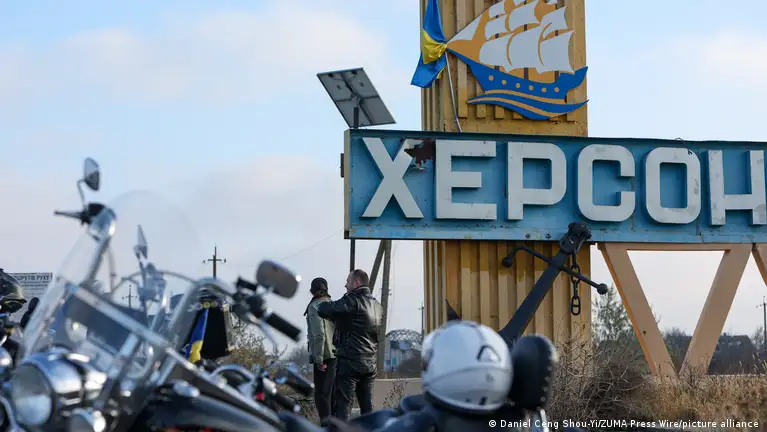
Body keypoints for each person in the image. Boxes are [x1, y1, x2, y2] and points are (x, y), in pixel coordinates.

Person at [317, 269, 382, 420]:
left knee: (343, 408)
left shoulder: (352, 301)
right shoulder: (377, 306)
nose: (345, 285)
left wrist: (328, 304)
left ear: (356, 282)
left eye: (348, 281)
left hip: (350, 361)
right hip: (370, 363)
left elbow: (324, 309)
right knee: (367, 408)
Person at [304, 277, 336, 423]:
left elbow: (319, 335)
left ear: (312, 291)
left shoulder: (314, 307)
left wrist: (318, 359)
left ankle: (326, 426)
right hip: (337, 354)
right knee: (333, 394)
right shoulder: (333, 305)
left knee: (322, 395)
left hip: (325, 355)